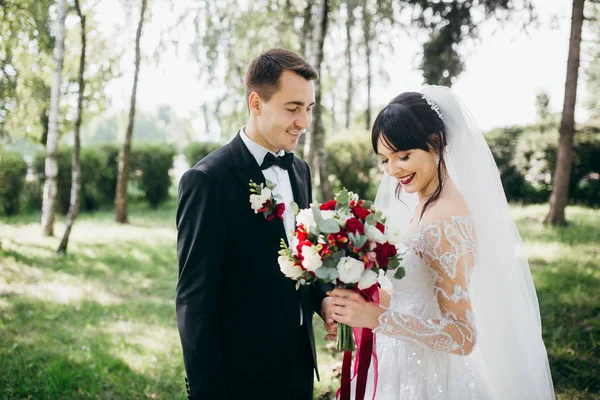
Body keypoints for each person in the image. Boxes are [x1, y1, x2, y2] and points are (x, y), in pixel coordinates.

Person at [327, 86, 555, 399]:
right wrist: (366, 297)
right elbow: (420, 298)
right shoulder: (425, 203)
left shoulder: (445, 220)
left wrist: (377, 318)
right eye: (385, 160)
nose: (394, 170)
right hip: (400, 362)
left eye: (404, 156)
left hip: (428, 379)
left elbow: (463, 336)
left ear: (437, 141)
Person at [176, 48, 335, 400]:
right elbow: (193, 300)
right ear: (256, 103)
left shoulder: (299, 171)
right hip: (240, 376)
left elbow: (301, 257)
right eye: (292, 108)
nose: (303, 122)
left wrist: (322, 300)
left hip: (298, 365)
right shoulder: (207, 180)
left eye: (308, 109)